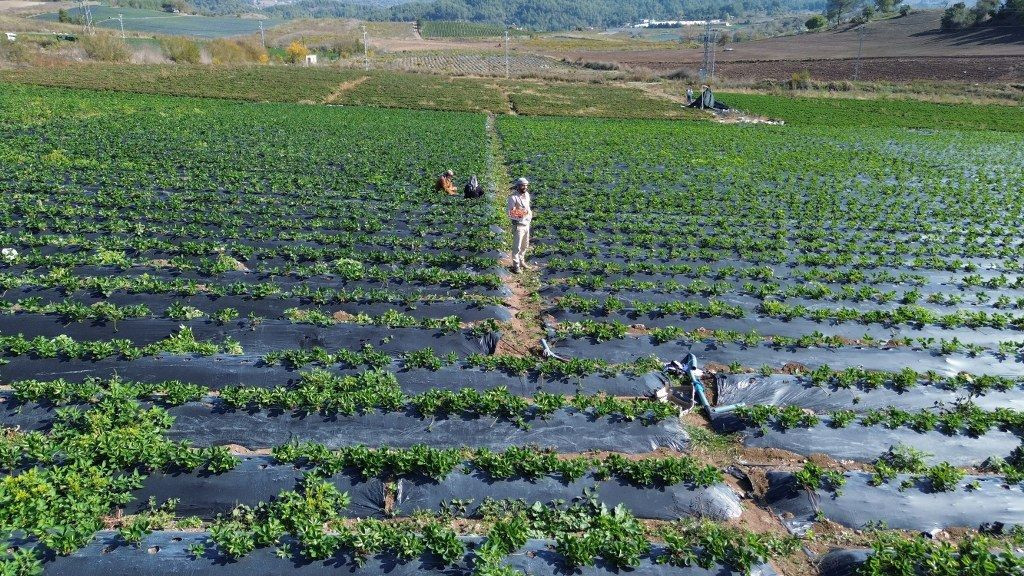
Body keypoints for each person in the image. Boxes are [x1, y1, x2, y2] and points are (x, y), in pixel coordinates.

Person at [507, 177, 532, 274]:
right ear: (518, 186)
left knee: (525, 245)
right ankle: (516, 266)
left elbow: (528, 208)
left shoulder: (527, 195)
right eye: (523, 185)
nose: (525, 187)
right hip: (519, 225)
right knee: (517, 247)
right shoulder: (513, 197)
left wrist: (528, 214)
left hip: (526, 224)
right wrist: (524, 213)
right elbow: (511, 213)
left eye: (526, 185)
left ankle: (522, 261)